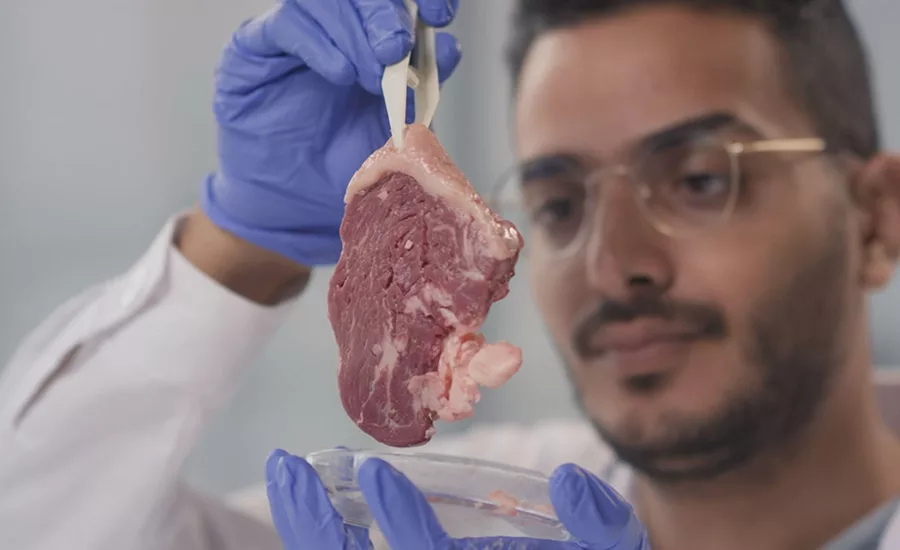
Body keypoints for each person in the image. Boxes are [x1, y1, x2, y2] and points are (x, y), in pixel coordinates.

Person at [2, 0, 900, 547]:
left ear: (875, 219)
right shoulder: (465, 514)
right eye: (556, 204)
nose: (616, 263)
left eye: (702, 180)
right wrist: (244, 242)